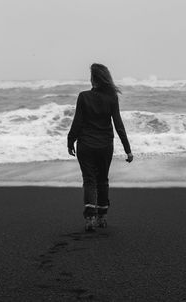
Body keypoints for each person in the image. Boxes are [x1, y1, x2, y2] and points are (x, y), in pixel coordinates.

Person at [67, 63, 133, 231]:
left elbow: (77, 122)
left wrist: (70, 141)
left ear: (93, 79)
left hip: (86, 145)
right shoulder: (112, 97)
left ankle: (90, 218)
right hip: (105, 146)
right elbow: (118, 124)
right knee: (102, 179)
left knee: (89, 180)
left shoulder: (83, 97)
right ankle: (102, 217)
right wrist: (128, 149)